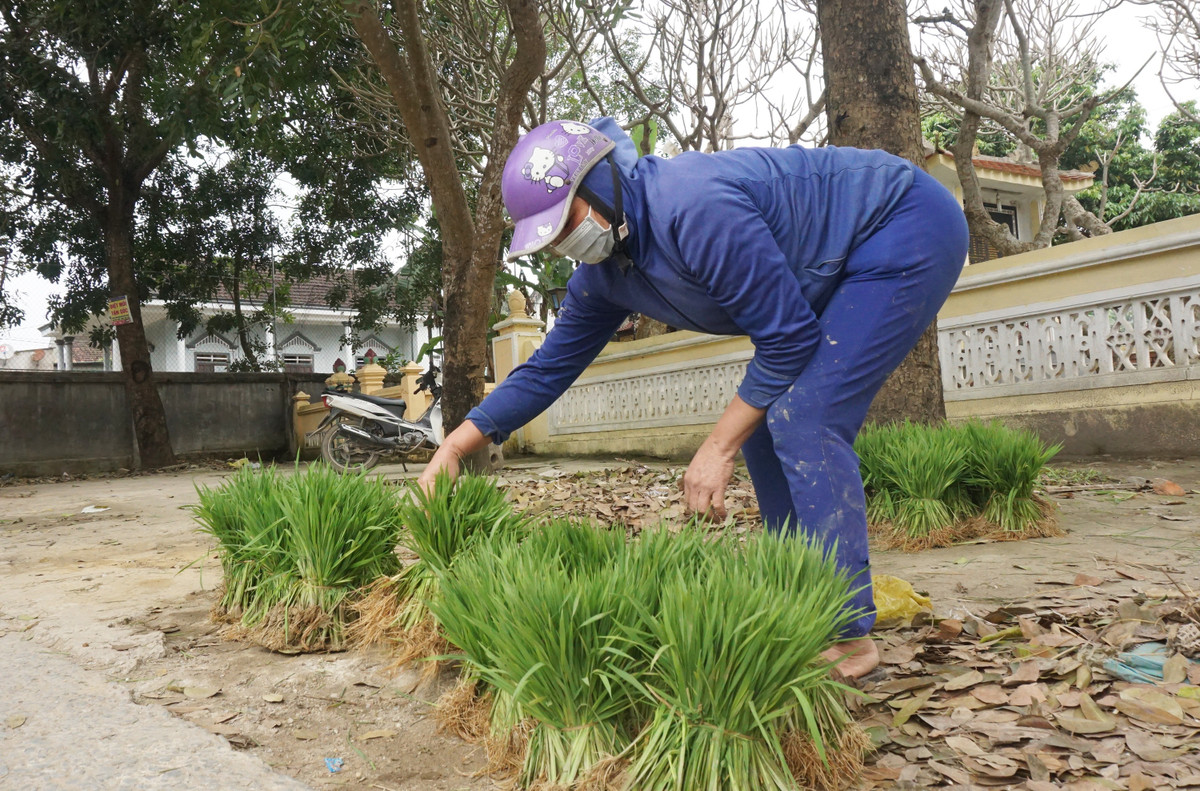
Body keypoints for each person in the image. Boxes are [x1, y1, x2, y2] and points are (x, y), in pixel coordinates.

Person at [417, 118, 968, 679]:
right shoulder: (604, 273)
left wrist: (715, 449)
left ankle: (848, 639)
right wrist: (456, 448)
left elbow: (788, 339)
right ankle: (803, 596)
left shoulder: (692, 207)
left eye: (566, 223)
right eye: (550, 239)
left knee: (807, 417)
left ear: (601, 185)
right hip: (830, 269)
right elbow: (545, 371)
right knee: (765, 431)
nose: (563, 245)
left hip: (904, 224)